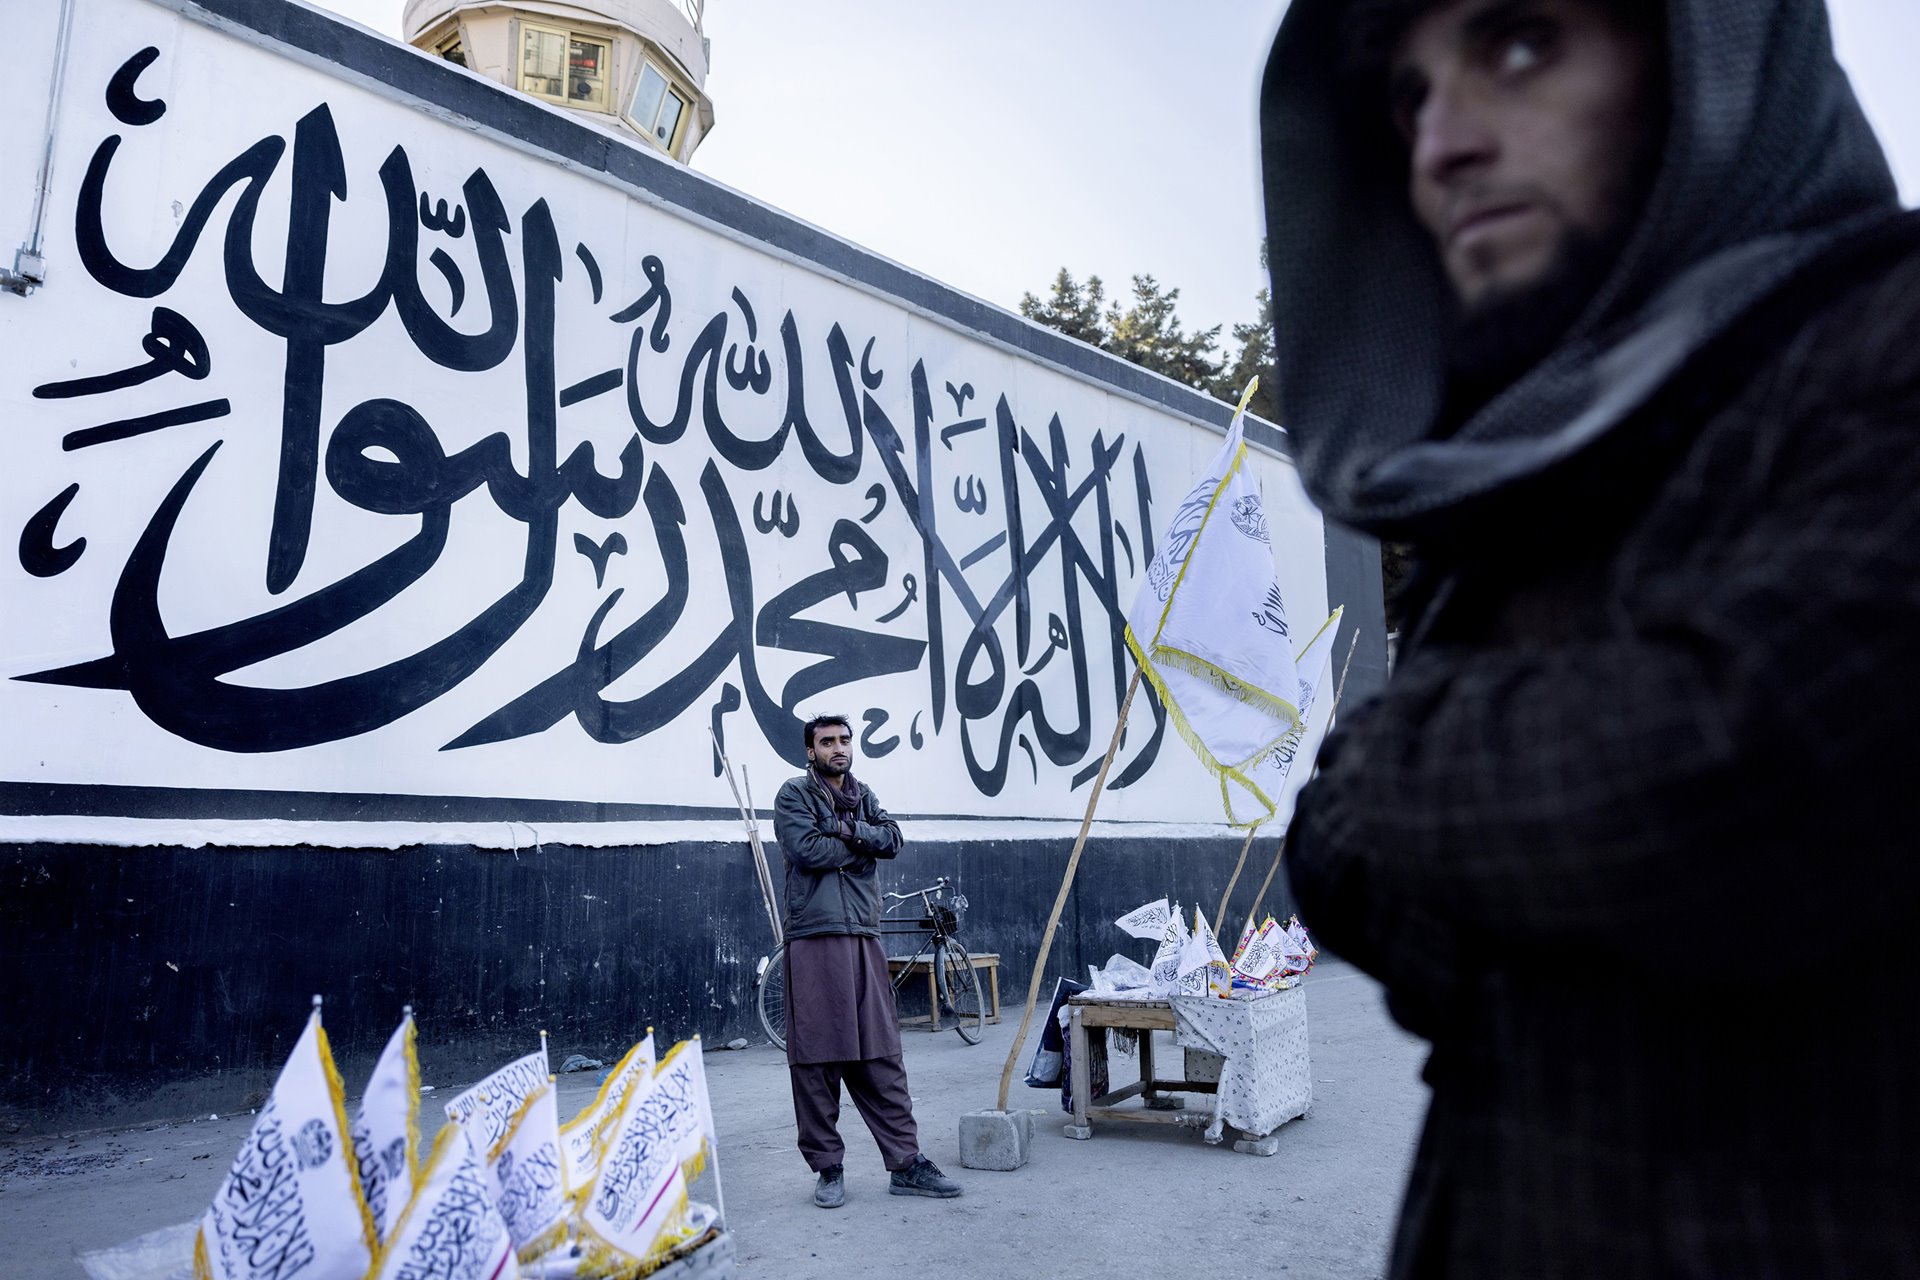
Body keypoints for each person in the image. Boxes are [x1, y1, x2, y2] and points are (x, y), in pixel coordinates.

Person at [1261, 0, 1920, 1274]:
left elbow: (1745, 785)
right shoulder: (1530, 467)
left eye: (1518, 42)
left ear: (1712, 64)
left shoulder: (1881, 340)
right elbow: (1349, 882)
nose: (1440, 144)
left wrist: (1394, 769)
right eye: (1409, 95)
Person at [771, 714, 963, 1208]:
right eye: (826, 742)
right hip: (814, 937)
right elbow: (806, 849)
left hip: (862, 935)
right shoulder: (793, 795)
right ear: (810, 751)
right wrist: (859, 843)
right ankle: (828, 1168)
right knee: (815, 1057)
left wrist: (845, 831)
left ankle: (906, 1163)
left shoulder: (865, 794)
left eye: (843, 740)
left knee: (881, 1054)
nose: (837, 748)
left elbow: (892, 839)